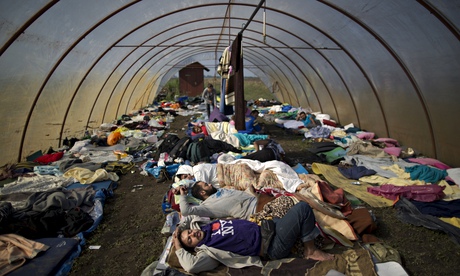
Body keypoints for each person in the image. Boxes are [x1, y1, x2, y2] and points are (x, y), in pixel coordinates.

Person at [173, 201, 334, 274]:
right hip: (272, 244)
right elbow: (190, 266)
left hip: (268, 227)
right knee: (303, 209)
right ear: (194, 246)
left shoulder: (205, 227)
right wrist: (178, 246)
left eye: (190, 233)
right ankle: (310, 250)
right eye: (190, 239)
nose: (193, 234)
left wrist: (180, 229)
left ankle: (305, 237)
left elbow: (189, 217)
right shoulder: (209, 250)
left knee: (285, 201)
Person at [177, 181, 258, 220]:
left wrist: (183, 185)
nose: (210, 184)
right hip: (253, 210)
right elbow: (185, 211)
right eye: (206, 185)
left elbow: (195, 182)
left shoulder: (217, 190)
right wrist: (183, 195)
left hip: (256, 199)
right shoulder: (207, 206)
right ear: (202, 192)